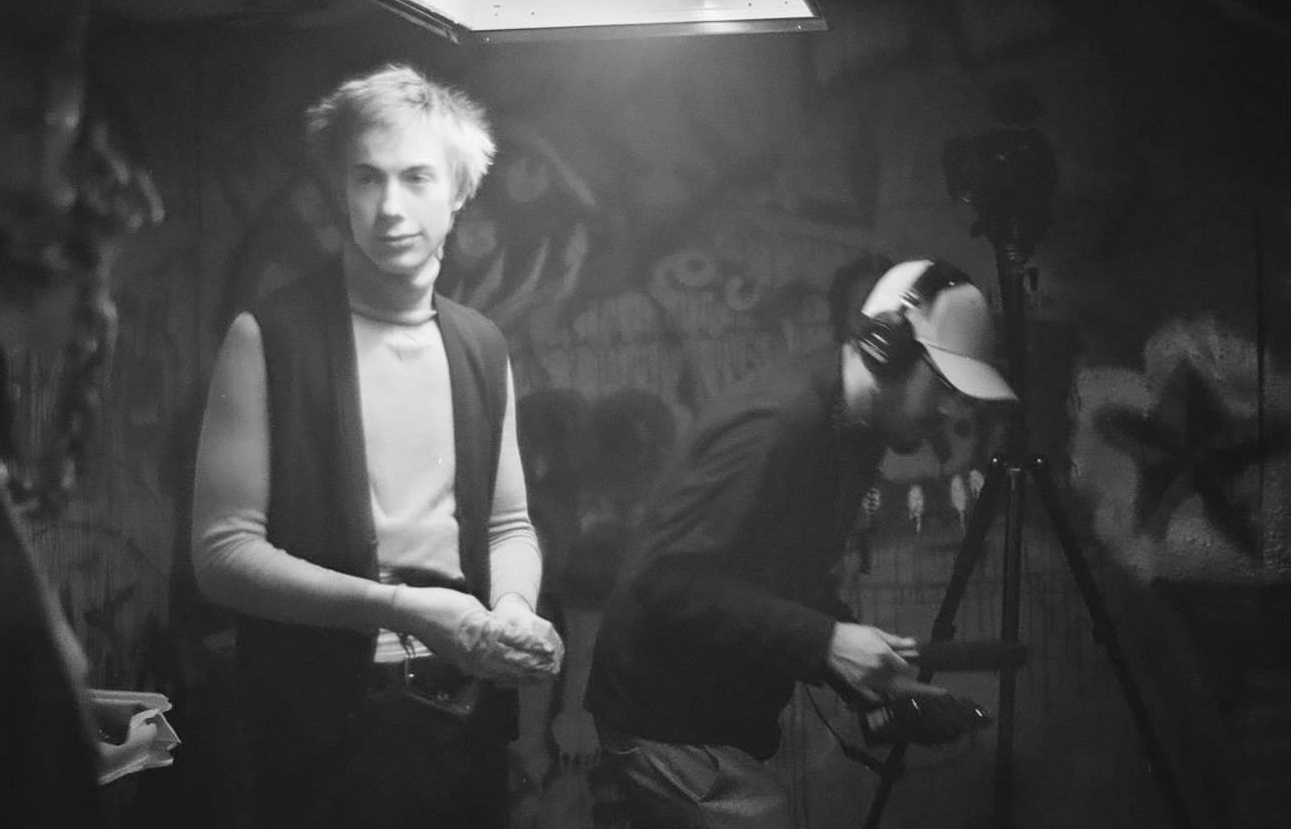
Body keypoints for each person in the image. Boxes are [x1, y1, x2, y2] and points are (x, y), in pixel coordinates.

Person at [190, 63, 563, 829]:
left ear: (458, 193)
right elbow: (223, 556)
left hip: (461, 716)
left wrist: (516, 609)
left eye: (416, 178)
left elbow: (506, 525)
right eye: (366, 179)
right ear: (339, 191)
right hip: (322, 723)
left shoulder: (480, 345)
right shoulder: (270, 337)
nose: (389, 206)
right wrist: (404, 609)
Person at [583, 258, 1018, 829]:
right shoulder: (782, 425)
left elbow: (782, 577)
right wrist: (828, 641)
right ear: (888, 349)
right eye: (944, 385)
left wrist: (867, 681)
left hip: (704, 716)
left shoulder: (856, 430)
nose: (953, 411)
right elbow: (664, 582)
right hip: (663, 717)